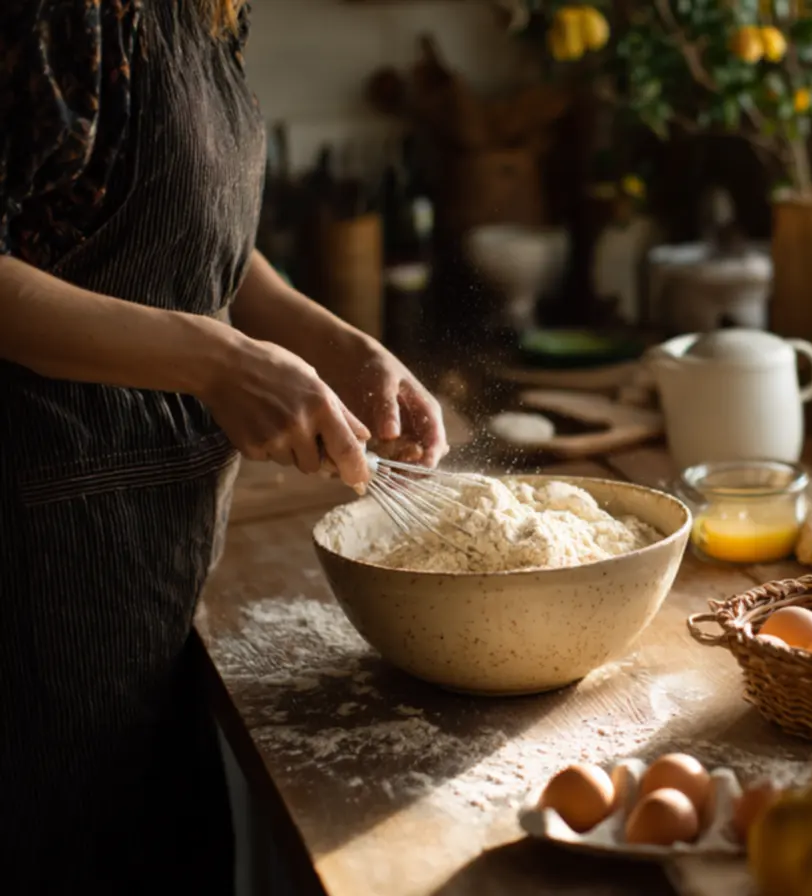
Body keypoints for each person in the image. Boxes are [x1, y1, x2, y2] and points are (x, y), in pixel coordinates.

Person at [0, 1, 447, 889]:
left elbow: (197, 235)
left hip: (143, 569)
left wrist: (333, 341)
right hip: (33, 575)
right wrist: (215, 359)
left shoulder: (204, 11)